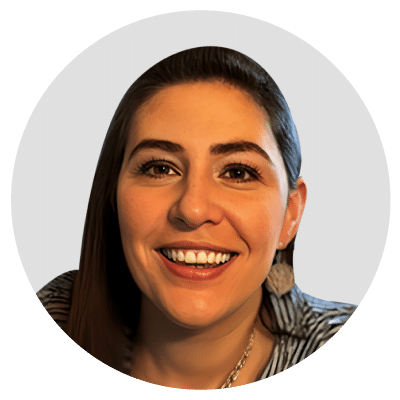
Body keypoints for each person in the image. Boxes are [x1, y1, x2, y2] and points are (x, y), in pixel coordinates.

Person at [36, 47, 357, 390]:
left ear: (290, 214)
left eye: (237, 172)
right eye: (160, 168)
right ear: (112, 195)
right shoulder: (53, 317)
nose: (193, 210)